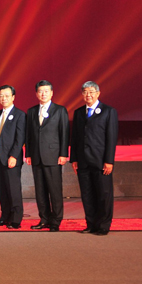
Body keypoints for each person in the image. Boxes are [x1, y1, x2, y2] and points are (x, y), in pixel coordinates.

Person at [70, 81, 118, 236]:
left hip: (100, 161)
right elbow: (75, 137)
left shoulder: (108, 111)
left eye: (91, 92)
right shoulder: (79, 112)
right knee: (87, 195)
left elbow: (111, 137)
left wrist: (109, 160)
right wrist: (74, 158)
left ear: (98, 93)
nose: (88, 95)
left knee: (104, 194)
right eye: (85, 92)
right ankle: (91, 224)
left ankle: (103, 225)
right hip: (83, 161)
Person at [25, 80, 70, 232]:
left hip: (53, 155)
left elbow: (64, 133)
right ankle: (44, 219)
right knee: (40, 191)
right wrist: (29, 153)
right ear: (36, 93)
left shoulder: (60, 110)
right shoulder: (32, 111)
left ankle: (56, 220)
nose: (43, 94)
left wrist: (63, 154)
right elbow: (29, 134)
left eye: (46, 91)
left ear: (51, 93)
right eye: (40, 91)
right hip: (36, 156)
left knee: (54, 190)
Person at [0, 85, 26, 229]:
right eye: (1, 96)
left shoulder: (19, 114)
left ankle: (16, 219)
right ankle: (5, 217)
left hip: (12, 158)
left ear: (13, 97)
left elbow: (20, 138)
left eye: (7, 95)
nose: (4, 98)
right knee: (2, 190)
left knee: (13, 189)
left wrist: (13, 156)